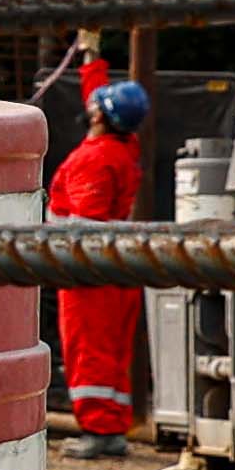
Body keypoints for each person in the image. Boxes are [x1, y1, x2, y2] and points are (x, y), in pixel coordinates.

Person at [49, 45, 154, 445]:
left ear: (99, 117)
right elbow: (100, 101)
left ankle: (97, 430)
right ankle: (113, 426)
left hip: (87, 273)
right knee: (113, 353)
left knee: (88, 350)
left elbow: (85, 225)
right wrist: (91, 59)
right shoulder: (122, 147)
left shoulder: (93, 160)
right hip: (117, 270)